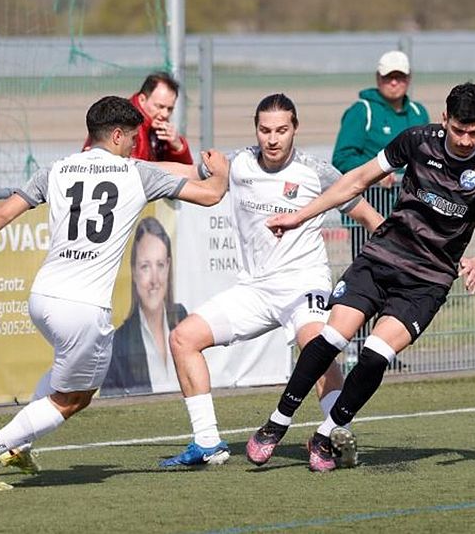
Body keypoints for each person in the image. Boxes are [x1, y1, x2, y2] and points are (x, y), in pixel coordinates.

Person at [0, 95, 228, 491]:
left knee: (61, 373)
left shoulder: (57, 169)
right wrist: (221, 175)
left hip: (43, 298)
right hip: (83, 308)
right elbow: (210, 196)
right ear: (119, 135)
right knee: (75, 398)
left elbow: (5, 211)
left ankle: (21, 446)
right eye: (133, 139)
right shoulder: (134, 173)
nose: (134, 147)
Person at [248, 82, 475, 472]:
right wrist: (299, 216)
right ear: (445, 119)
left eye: (474, 132)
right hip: (382, 257)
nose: (464, 139)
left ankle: (325, 435)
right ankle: (276, 423)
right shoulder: (418, 141)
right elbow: (356, 180)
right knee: (332, 337)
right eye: (458, 129)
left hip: (428, 280)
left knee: (376, 355)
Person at [157, 94, 384, 467]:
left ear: (295, 128)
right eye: (265, 130)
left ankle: (333, 436)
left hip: (304, 284)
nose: (273, 139)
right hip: (255, 289)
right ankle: (207, 442)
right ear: (256, 130)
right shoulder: (240, 164)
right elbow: (186, 173)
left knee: (318, 345)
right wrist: (131, 165)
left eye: (281, 130)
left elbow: (370, 219)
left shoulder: (317, 173)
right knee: (183, 338)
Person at [332, 50, 429, 361]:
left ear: (408, 79)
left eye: (400, 76)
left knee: (399, 285)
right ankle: (350, 348)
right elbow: (341, 159)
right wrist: (377, 174)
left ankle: (381, 347)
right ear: (379, 78)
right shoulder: (362, 112)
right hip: (368, 215)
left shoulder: (417, 112)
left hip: (407, 220)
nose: (395, 82)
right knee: (364, 282)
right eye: (389, 76)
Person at [100, 216, 187, 396]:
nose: (154, 280)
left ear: (168, 266)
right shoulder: (118, 344)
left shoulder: (183, 318)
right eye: (145, 267)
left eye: (160, 265)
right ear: (133, 271)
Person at [82, 72, 193, 164]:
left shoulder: (160, 131)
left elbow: (184, 172)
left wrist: (178, 147)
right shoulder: (124, 123)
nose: (165, 114)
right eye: (160, 106)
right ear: (142, 99)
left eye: (170, 109)